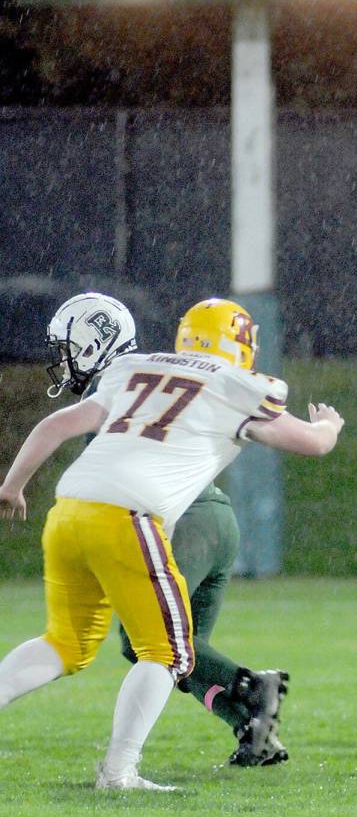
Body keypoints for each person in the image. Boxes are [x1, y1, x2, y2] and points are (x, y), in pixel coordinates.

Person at [0, 297, 344, 791]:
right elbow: (311, 444)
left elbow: (55, 424)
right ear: (239, 343)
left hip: (68, 509)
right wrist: (329, 424)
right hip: (129, 515)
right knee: (167, 653)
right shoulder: (236, 385)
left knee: (65, 643)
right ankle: (119, 772)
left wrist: (12, 487)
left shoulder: (135, 368)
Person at [44, 291, 290, 769]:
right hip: (214, 519)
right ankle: (251, 729)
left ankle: (250, 687)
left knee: (151, 643)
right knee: (179, 654)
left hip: (187, 520)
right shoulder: (159, 374)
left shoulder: (124, 380)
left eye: (69, 348)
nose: (63, 361)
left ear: (95, 344)